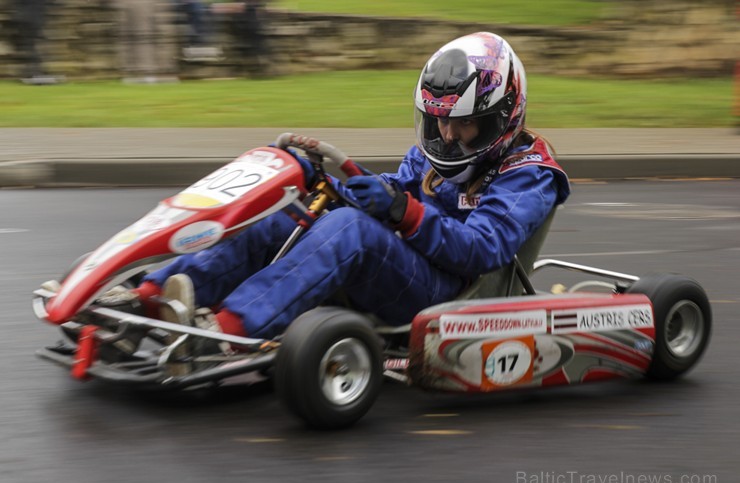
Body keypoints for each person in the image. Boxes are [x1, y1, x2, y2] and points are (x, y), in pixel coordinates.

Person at [105, 31, 570, 354]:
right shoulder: (432, 153)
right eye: (440, 121)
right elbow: (393, 195)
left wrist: (401, 212)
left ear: (501, 116)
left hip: (458, 295)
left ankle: (226, 331)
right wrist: (332, 179)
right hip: (419, 268)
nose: (447, 137)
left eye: (463, 123)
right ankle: (150, 295)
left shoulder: (528, 173)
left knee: (349, 229)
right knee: (295, 209)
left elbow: (482, 249)